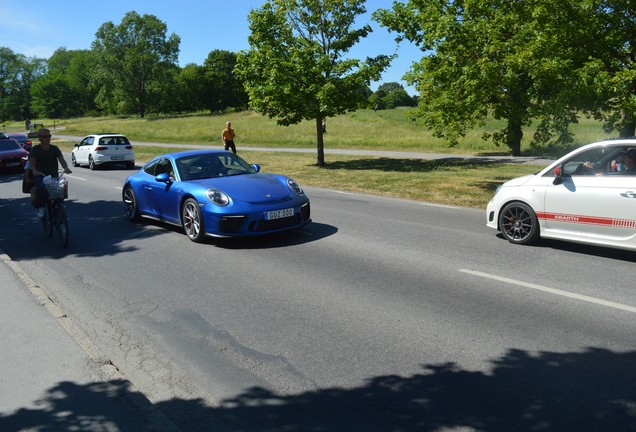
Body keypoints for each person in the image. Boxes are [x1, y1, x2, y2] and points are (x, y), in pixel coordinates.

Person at [29, 128, 72, 218]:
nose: (48, 138)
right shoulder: (35, 150)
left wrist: (66, 168)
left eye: (49, 136)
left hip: (53, 176)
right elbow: (32, 163)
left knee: (61, 187)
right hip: (41, 176)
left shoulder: (54, 148)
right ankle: (41, 208)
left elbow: (61, 160)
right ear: (39, 138)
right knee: (43, 188)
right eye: (45, 136)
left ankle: (60, 203)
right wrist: (34, 170)